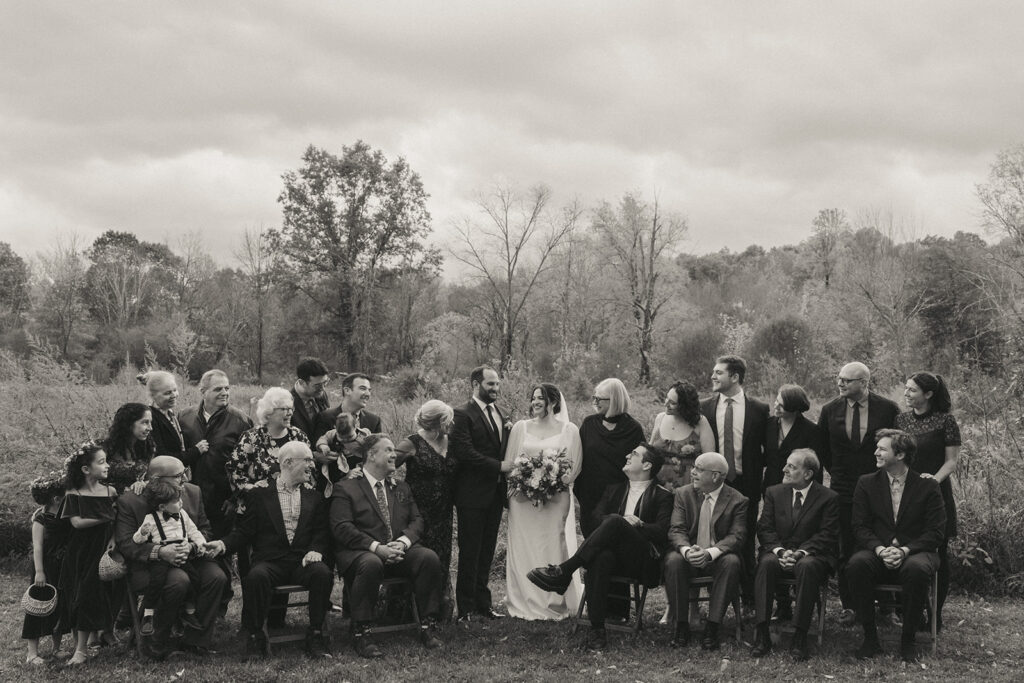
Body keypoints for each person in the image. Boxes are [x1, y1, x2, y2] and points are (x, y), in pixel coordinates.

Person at [527, 443, 673, 650]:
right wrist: (619, 523)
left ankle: (565, 571)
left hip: (641, 560)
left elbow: (662, 532)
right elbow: (594, 520)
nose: (627, 455)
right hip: (612, 557)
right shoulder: (614, 489)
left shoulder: (663, 496)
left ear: (647, 464)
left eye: (634, 454)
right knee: (601, 556)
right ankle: (597, 631)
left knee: (614, 521)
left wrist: (637, 524)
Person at [208, 442, 333, 659]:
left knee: (322, 573)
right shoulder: (259, 495)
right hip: (270, 561)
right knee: (256, 577)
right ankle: (256, 637)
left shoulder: (314, 496)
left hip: (301, 562)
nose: (312, 465)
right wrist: (223, 544)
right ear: (287, 463)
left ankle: (316, 635)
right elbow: (244, 532)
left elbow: (321, 531)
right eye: (307, 460)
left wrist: (316, 550)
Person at [330, 435, 444, 657]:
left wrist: (403, 542)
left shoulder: (401, 487)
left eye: (394, 450)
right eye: (389, 450)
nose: (395, 454)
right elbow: (341, 527)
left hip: (398, 550)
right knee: (371, 563)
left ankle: (427, 625)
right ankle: (362, 631)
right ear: (371, 455)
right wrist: (376, 547)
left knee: (428, 557)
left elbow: (417, 520)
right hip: (361, 553)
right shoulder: (346, 488)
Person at [844, 429, 945, 663]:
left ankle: (907, 641)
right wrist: (880, 549)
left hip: (916, 551)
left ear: (899, 455)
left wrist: (904, 550)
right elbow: (859, 526)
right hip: (878, 551)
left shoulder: (927, 486)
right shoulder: (866, 483)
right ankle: (870, 639)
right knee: (857, 564)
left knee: (916, 569)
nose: (875, 452)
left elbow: (935, 532)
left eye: (882, 448)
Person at [114, 456, 228, 660]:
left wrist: (192, 547)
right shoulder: (130, 501)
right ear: (157, 478)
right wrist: (159, 552)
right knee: (178, 581)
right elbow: (126, 543)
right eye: (178, 476)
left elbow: (204, 529)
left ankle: (195, 641)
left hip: (190, 558)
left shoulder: (193, 492)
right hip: (149, 566)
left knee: (216, 577)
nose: (184, 478)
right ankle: (155, 642)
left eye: (184, 472)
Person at [817, 362, 899, 623]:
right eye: (839, 378)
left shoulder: (887, 409)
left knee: (882, 540)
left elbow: (895, 447)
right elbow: (823, 451)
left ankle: (887, 606)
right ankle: (850, 605)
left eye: (847, 380)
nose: (840, 383)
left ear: (864, 383)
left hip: (880, 487)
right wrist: (840, 474)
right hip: (842, 488)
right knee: (846, 545)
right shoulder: (830, 410)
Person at [504, 383, 584, 620]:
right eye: (533, 398)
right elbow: (510, 464)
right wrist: (525, 481)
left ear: (554, 402)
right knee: (523, 545)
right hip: (522, 501)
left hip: (555, 498)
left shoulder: (569, 430)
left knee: (552, 542)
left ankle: (552, 600)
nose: (535, 402)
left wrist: (552, 481)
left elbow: (573, 468)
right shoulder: (520, 427)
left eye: (541, 398)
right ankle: (522, 600)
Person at [751, 449, 839, 661]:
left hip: (812, 554)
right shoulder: (774, 492)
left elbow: (827, 534)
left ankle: (800, 636)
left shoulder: (828, 497)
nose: (784, 469)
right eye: (786, 465)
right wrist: (781, 551)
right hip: (778, 551)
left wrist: (799, 553)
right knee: (766, 564)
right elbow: (765, 528)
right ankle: (762, 633)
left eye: (791, 466)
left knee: (806, 566)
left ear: (808, 474)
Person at [700, 355, 769, 604]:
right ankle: (717, 592)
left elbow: (767, 450)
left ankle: (749, 598)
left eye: (719, 373)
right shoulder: (704, 408)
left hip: (745, 484)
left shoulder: (759, 410)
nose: (713, 376)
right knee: (713, 536)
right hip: (713, 485)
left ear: (735, 377)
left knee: (746, 538)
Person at [663, 452, 748, 651]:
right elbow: (676, 529)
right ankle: (681, 626)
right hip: (689, 556)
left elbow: (737, 536)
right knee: (673, 560)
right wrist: (686, 551)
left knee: (732, 562)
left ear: (716, 476)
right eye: (694, 468)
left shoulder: (738, 500)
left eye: (699, 469)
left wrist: (710, 553)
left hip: (717, 558)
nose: (692, 472)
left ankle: (712, 627)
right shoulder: (683, 494)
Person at [449, 365, 513, 622]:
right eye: (490, 384)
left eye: (497, 384)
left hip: (495, 494)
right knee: (470, 550)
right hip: (471, 495)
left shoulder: (502, 413)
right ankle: (464, 608)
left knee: (487, 550)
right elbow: (464, 452)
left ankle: (483, 603)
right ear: (476, 384)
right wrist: (498, 466)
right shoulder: (461, 414)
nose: (495, 389)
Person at [896, 372, 960, 632]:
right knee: (908, 549)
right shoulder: (900, 420)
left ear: (929, 394)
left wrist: (933, 480)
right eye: (906, 389)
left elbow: (951, 461)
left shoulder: (946, 421)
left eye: (912, 390)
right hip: (906, 493)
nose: (906, 394)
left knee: (938, 554)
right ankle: (916, 610)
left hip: (936, 493)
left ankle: (936, 613)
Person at [395, 399, 459, 621]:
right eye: (447, 421)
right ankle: (407, 611)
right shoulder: (411, 443)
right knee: (420, 558)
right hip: (418, 514)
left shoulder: (449, 441)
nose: (451, 425)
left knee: (441, 558)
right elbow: (385, 465)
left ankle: (436, 610)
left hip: (443, 513)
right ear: (436, 422)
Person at [57, 441, 117, 666]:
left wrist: (112, 540)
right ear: (85, 469)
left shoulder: (111, 491)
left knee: (95, 594)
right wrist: (104, 517)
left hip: (103, 549)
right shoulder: (74, 492)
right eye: (101, 462)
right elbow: (77, 523)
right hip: (81, 552)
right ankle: (80, 649)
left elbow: (116, 522)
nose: (107, 466)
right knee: (79, 594)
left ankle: (92, 641)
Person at [179, 369, 253, 539]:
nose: (224, 393)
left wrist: (235, 499)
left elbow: (250, 465)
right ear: (203, 392)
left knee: (221, 550)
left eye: (227, 388)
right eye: (218, 389)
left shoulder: (241, 421)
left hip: (224, 501)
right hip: (191, 498)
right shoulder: (185, 417)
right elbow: (180, 455)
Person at [131, 479, 207, 636]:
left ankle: (189, 611)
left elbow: (194, 532)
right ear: (162, 507)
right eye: (176, 501)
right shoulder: (151, 519)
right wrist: (143, 532)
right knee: (157, 582)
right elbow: (137, 541)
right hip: (162, 557)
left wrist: (201, 544)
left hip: (181, 554)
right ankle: (148, 615)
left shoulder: (183, 514)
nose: (180, 503)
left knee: (195, 578)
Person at [576, 378, 646, 537]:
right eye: (594, 397)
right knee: (590, 540)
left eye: (600, 398)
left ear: (615, 400)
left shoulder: (632, 428)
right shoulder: (589, 424)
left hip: (618, 497)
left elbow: (640, 462)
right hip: (589, 495)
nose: (595, 402)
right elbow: (579, 457)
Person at [227, 387, 310, 511]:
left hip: (294, 506)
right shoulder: (251, 438)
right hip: (259, 508)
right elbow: (234, 471)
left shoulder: (299, 436)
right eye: (284, 409)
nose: (290, 413)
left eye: (291, 409)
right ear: (269, 412)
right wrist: (252, 489)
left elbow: (311, 471)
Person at [22, 471, 69, 666]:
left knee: (61, 605)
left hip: (62, 566)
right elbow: (38, 547)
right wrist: (40, 571)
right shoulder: (40, 519)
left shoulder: (67, 517)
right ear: (57, 499)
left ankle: (57, 647)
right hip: (45, 566)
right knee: (38, 606)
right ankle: (32, 653)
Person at [651, 380, 715, 489]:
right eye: (667, 398)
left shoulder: (700, 422)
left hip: (688, 486)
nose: (666, 404)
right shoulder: (660, 418)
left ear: (685, 406)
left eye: (673, 403)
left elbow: (710, 460)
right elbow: (649, 451)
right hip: (658, 485)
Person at [144, 371, 209, 468]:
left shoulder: (170, 414)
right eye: (167, 393)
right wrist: (195, 451)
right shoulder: (151, 418)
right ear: (152, 395)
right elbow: (161, 457)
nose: (174, 395)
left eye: (175, 390)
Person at [763, 384, 823, 490]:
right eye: (776, 401)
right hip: (770, 486)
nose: (776, 407)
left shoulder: (811, 431)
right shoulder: (767, 425)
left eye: (782, 405)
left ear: (795, 408)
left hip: (798, 487)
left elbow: (815, 468)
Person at [313, 372, 383, 441]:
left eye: (369, 390)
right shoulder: (325, 418)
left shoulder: (374, 421)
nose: (368, 394)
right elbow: (317, 448)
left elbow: (380, 449)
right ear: (347, 390)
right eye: (363, 388)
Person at [104, 402, 156, 493]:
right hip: (105, 498)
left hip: (133, 500)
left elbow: (153, 478)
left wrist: (142, 483)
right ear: (129, 423)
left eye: (150, 422)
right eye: (145, 422)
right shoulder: (104, 447)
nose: (150, 428)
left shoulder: (148, 448)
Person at [314, 411, 365, 495]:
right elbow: (323, 439)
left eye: (349, 437)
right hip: (337, 467)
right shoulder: (332, 433)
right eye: (341, 437)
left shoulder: (362, 438)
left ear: (355, 427)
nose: (345, 440)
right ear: (335, 428)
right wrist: (323, 446)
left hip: (355, 465)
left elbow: (370, 455)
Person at [291, 358, 331, 441]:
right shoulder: (288, 402)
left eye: (325, 383)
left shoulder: (321, 394)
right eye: (318, 385)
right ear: (302, 383)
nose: (323, 389)